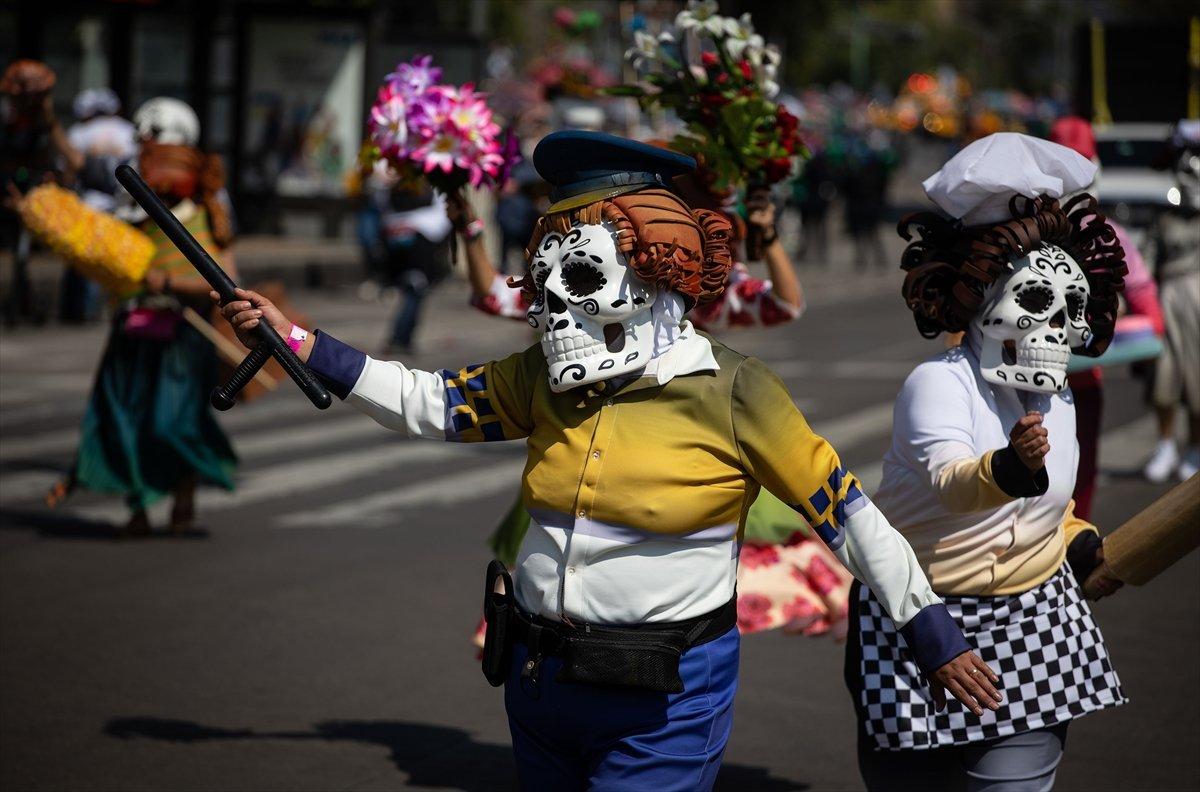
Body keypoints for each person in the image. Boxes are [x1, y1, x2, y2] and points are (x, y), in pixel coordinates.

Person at [218, 131, 998, 791]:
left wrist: (933, 634)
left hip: (665, 701)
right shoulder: (540, 378)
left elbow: (847, 515)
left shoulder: (736, 391)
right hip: (536, 686)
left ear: (658, 272)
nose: (551, 303)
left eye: (583, 277)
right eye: (544, 279)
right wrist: (298, 341)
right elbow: (429, 401)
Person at [448, 169, 854, 642]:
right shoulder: (575, 274)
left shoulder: (691, 289)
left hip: (682, 439)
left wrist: (768, 237)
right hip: (578, 444)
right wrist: (470, 229)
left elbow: (784, 304)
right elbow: (495, 295)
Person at [850, 133, 1128, 791]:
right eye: (1033, 302)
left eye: (1070, 309)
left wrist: (1078, 540)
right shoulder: (938, 384)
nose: (1053, 331)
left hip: (1037, 618)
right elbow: (951, 485)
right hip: (922, 618)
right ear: (977, 296)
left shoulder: (1056, 395)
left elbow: (1043, 511)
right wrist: (1007, 467)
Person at [47, 97, 237, 535]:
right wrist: (47, 118)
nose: (144, 153)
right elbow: (81, 164)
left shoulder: (208, 205)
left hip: (183, 337)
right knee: (122, 419)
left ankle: (184, 492)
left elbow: (228, 281)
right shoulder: (130, 192)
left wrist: (170, 285)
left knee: (173, 423)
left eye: (153, 143)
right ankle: (137, 509)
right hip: (132, 327)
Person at [1049, 115, 1164, 518]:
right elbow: (1145, 297)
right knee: (1061, 479)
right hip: (1041, 383)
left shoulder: (1102, 234)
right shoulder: (1100, 233)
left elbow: (1144, 296)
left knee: (1074, 478)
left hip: (1072, 379)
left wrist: (1149, 331)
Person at [1, 59, 83, 325]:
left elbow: (74, 160)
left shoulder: (44, 122)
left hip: (36, 191)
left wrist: (48, 118)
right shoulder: (7, 119)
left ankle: (30, 301)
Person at [1143, 120, 1200, 483]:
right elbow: (1147, 263)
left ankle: (1194, 446)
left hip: (1198, 299)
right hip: (1168, 296)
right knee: (1164, 376)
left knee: (1197, 377)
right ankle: (1165, 443)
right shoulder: (1163, 219)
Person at [60, 87, 138, 323]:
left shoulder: (79, 132)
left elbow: (68, 172)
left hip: (90, 205)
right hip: (123, 206)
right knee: (116, 259)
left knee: (89, 261)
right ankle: (116, 308)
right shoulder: (128, 130)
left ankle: (87, 312)